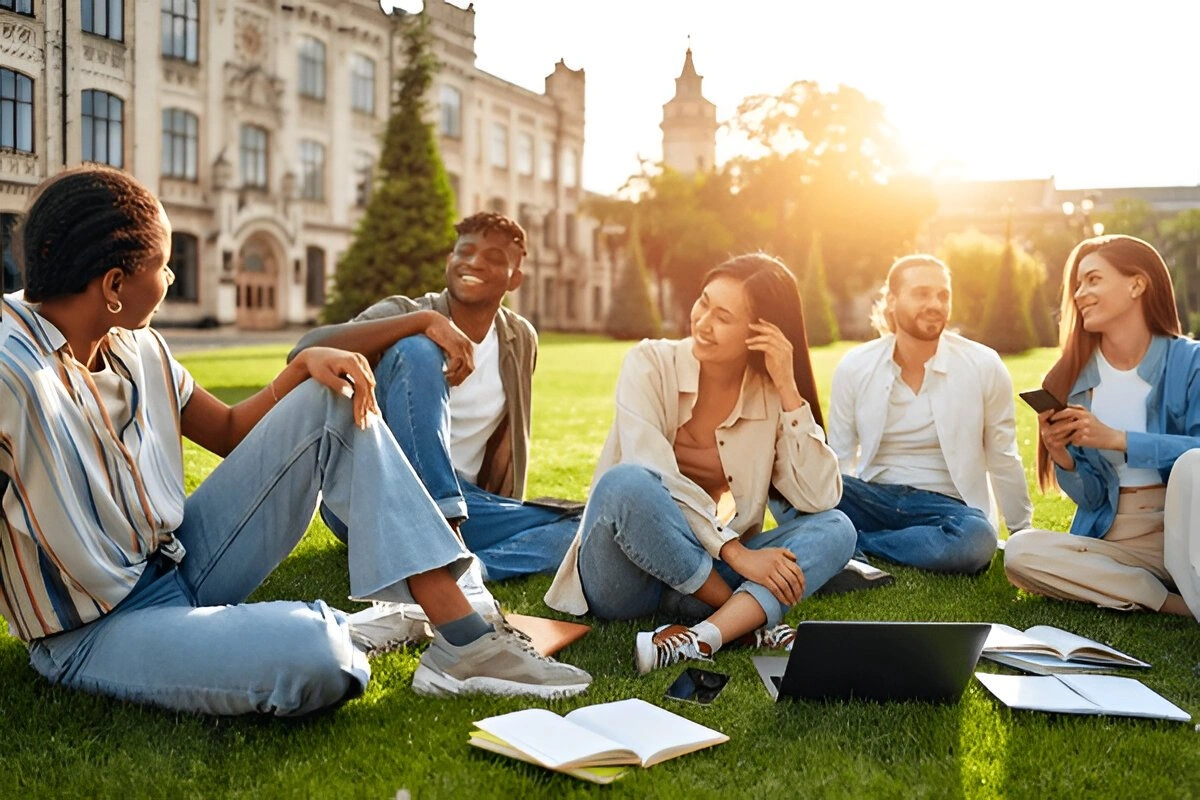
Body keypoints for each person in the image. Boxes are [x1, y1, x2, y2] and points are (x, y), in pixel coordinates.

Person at [0, 167, 591, 717]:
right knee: (321, 659)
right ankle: (353, 625)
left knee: (332, 395)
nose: (172, 277)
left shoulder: (137, 345)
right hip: (96, 628)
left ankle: (463, 639)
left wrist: (305, 365)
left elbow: (230, 432)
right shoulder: (11, 371)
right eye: (165, 265)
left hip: (182, 562)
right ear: (114, 284)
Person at [544, 253, 856, 674]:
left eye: (724, 315)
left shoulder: (768, 394)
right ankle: (745, 623)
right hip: (626, 582)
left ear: (761, 332)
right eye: (704, 302)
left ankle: (702, 637)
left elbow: (820, 496)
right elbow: (651, 471)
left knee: (838, 527)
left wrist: (788, 388)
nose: (703, 321)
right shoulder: (650, 362)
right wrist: (736, 553)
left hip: (701, 582)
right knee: (627, 483)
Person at [290, 212, 577, 582]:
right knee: (418, 351)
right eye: (466, 251)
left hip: (471, 502)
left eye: (494, 258)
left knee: (585, 524)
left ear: (515, 279)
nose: (475, 262)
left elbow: (510, 436)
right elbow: (305, 350)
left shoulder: (519, 339)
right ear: (450, 261)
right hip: (376, 495)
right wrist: (424, 323)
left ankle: (471, 572)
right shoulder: (407, 313)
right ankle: (445, 529)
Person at [1004, 235, 1200, 620]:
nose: (1079, 294)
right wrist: (1064, 458)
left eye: (1093, 280)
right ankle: (1167, 602)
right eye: (1078, 284)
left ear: (1136, 284)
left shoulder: (1190, 362)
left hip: (1188, 528)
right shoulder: (1072, 379)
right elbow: (1093, 499)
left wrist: (1119, 440)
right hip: (1117, 542)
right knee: (1021, 552)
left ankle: (1153, 586)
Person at [823, 254, 1033, 579]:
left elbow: (1003, 455)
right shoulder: (855, 365)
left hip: (949, 511)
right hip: (874, 498)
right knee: (792, 490)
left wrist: (1021, 534)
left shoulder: (983, 364)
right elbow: (838, 456)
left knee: (977, 542)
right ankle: (849, 537)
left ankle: (854, 543)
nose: (935, 303)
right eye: (922, 293)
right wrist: (824, 502)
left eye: (942, 294)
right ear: (892, 301)